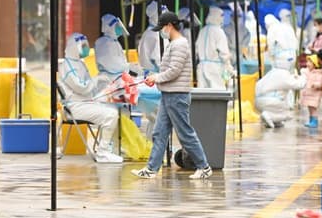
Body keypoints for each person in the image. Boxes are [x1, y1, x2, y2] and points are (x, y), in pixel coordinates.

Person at [131, 12, 212, 180]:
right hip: (168, 94)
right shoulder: (173, 44)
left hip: (177, 95)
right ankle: (152, 168)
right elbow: (169, 69)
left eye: (162, 28)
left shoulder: (180, 44)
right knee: (159, 132)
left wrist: (156, 77)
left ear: (169, 26)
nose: (161, 31)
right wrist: (156, 77)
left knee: (185, 133)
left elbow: (174, 70)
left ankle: (204, 166)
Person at [59, 33, 123, 163]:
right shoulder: (67, 65)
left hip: (84, 102)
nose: (87, 49)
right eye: (83, 46)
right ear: (74, 47)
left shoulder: (78, 63)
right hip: (75, 107)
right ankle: (103, 152)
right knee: (111, 114)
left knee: (114, 107)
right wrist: (97, 79)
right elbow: (81, 87)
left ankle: (110, 147)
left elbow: (89, 88)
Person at [254, 14, 304, 128]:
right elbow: (298, 84)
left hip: (280, 60)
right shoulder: (287, 27)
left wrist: (272, 56)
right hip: (290, 57)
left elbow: (271, 47)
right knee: (284, 93)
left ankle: (274, 117)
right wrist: (303, 76)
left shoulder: (272, 30)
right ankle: (273, 116)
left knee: (282, 91)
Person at [196, 6, 232, 89]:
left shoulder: (202, 30)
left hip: (201, 67)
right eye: (221, 16)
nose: (222, 19)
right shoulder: (219, 31)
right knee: (217, 94)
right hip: (214, 68)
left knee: (203, 95)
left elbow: (197, 50)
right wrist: (228, 66)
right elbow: (224, 54)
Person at [94, 14, 131, 83]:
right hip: (109, 80)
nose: (119, 28)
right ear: (110, 27)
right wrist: (128, 66)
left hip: (117, 78)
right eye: (117, 26)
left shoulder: (114, 42)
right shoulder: (103, 42)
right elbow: (112, 64)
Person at [299, 55, 322, 128]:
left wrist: (316, 85)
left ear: (315, 64)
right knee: (310, 108)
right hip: (309, 94)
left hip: (315, 94)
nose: (307, 64)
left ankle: (314, 121)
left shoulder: (319, 73)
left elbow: (321, 83)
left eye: (310, 62)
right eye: (307, 61)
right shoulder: (308, 72)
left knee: (313, 109)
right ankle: (311, 120)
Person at [138, 1, 162, 76]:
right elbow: (157, 58)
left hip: (152, 75)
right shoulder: (153, 34)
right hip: (154, 75)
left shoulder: (152, 32)